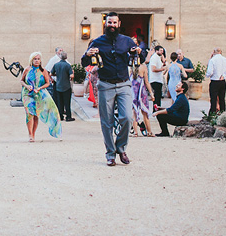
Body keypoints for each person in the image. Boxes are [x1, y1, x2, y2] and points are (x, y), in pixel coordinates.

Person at [81, 12, 140, 167]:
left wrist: (138, 52)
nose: (112, 25)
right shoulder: (97, 42)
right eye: (109, 22)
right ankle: (110, 154)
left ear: (119, 24)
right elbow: (84, 62)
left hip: (123, 84)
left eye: (114, 22)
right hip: (105, 85)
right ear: (105, 23)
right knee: (107, 122)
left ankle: (121, 148)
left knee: (127, 117)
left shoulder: (127, 41)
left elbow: (139, 56)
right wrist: (87, 54)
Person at [20, 52, 62, 142]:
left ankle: (33, 133)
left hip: (39, 94)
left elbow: (47, 83)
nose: (37, 61)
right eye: (35, 59)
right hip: (27, 94)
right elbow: (21, 81)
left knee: (36, 115)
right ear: (31, 60)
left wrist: (40, 88)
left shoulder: (43, 71)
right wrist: (27, 86)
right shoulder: (27, 69)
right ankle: (30, 134)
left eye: (38, 59)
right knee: (29, 113)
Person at [130, 59, 155, 137]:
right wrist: (151, 93)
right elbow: (146, 82)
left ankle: (135, 132)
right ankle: (149, 131)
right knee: (145, 112)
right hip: (141, 91)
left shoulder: (130, 67)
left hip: (133, 91)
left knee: (134, 112)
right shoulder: (143, 67)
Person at [206, 47, 226, 113]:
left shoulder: (212, 60)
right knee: (222, 99)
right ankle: (222, 112)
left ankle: (212, 113)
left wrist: (207, 75)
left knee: (213, 99)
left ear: (213, 52)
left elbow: (210, 72)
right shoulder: (225, 59)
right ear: (220, 52)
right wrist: (224, 75)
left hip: (214, 81)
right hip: (222, 81)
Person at [51, 51, 75, 121]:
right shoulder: (68, 65)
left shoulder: (56, 65)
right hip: (66, 86)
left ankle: (60, 116)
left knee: (60, 102)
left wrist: (57, 75)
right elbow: (71, 76)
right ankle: (68, 116)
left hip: (58, 86)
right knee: (67, 102)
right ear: (66, 57)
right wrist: (71, 76)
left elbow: (51, 74)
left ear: (60, 57)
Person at [148, 45, 167, 110]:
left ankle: (157, 109)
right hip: (155, 79)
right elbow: (153, 69)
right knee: (157, 96)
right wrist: (162, 69)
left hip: (158, 79)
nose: (162, 52)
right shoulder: (154, 58)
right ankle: (156, 109)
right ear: (156, 51)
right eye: (161, 50)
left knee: (158, 96)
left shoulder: (158, 58)